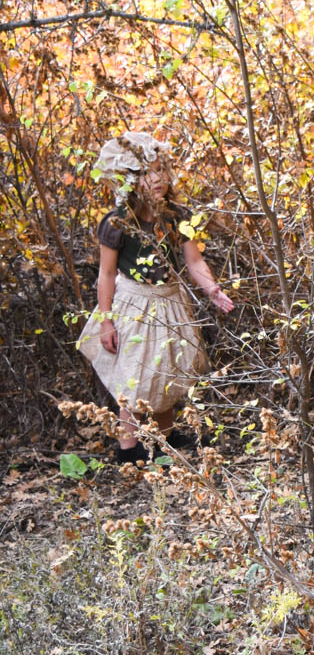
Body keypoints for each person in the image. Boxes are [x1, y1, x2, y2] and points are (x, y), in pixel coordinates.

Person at [75, 132, 234, 463]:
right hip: (134, 303)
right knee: (134, 374)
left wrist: (212, 289)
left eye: (161, 170)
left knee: (169, 369)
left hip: (170, 299)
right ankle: (128, 449)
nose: (157, 178)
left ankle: (166, 436)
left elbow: (193, 260)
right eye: (147, 173)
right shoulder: (118, 222)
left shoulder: (177, 215)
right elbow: (105, 274)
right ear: (131, 179)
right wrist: (106, 321)